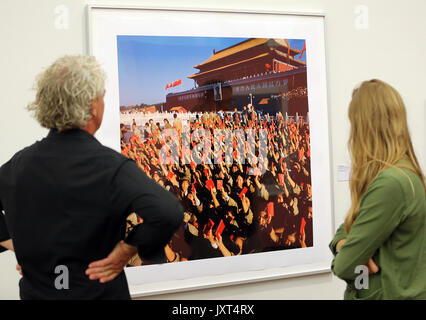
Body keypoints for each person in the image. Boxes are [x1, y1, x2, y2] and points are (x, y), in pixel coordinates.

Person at [0, 55, 184, 300]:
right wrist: (128, 248)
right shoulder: (111, 166)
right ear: (92, 105)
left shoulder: (18, 165)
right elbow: (168, 211)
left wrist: (22, 248)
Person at [329, 79, 426, 300]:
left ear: (365, 127)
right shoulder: (401, 174)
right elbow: (349, 227)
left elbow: (344, 266)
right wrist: (344, 243)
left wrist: (347, 250)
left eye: (353, 124)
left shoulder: (391, 183)